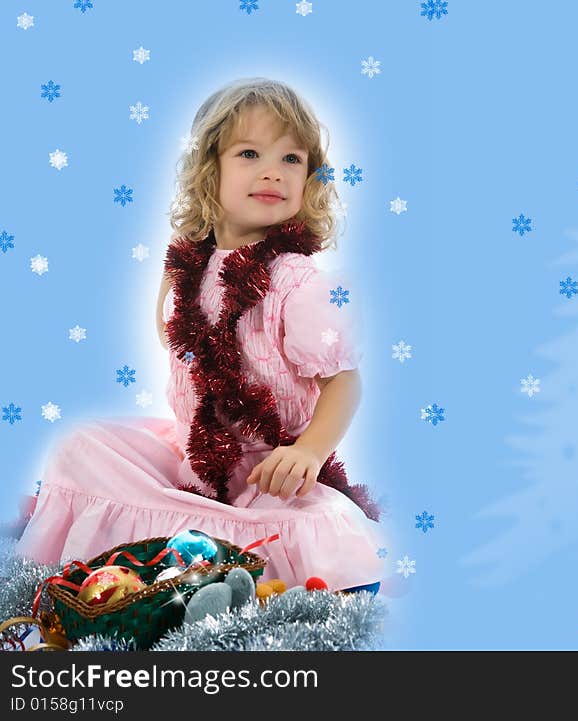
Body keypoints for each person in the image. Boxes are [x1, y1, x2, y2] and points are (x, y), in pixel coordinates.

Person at [16, 78, 386, 595]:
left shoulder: (298, 281)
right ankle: (174, 536)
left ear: (310, 177)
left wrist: (308, 453)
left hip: (267, 472)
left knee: (314, 523)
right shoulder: (191, 265)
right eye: (250, 153)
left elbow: (345, 382)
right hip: (198, 455)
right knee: (81, 444)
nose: (272, 172)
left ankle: (221, 560)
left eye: (292, 159)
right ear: (210, 171)